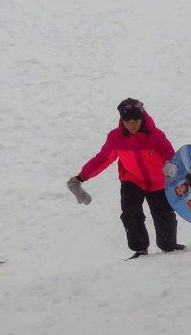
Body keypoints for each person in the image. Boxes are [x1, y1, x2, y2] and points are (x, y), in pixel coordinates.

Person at [68, 98, 183, 259]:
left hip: (158, 183)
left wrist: (171, 167)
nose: (131, 125)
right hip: (132, 180)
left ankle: (169, 245)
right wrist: (81, 177)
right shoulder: (116, 137)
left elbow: (170, 157)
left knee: (164, 216)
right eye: (127, 121)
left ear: (142, 119)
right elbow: (102, 159)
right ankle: (140, 249)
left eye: (134, 121)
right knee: (130, 214)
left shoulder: (156, 136)